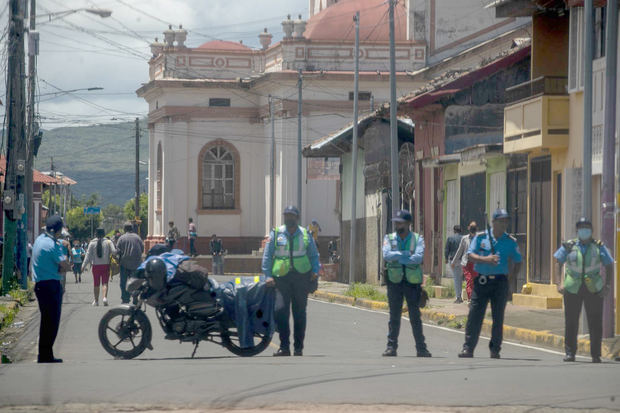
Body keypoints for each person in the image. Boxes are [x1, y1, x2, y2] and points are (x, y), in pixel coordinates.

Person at [458, 209, 522, 359]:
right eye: (501, 221)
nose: (504, 224)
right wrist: (486, 259)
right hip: (482, 281)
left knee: (498, 317)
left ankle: (495, 349)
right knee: (474, 316)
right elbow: (470, 256)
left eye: (506, 221)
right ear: (493, 222)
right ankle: (468, 348)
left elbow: (518, 261)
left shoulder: (510, 241)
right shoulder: (480, 238)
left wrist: (510, 280)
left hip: (500, 282)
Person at [553, 217, 614, 363]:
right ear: (577, 230)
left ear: (591, 231)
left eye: (586, 227)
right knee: (571, 321)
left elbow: (609, 265)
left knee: (595, 322)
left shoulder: (598, 246)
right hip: (572, 288)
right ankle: (570, 353)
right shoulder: (569, 246)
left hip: (593, 288)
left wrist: (607, 286)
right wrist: (558, 283)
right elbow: (558, 263)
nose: (584, 230)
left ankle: (595, 354)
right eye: (581, 227)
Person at [262, 205, 320, 357]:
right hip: (281, 278)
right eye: (286, 215)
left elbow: (314, 256)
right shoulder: (276, 233)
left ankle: (299, 347)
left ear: (297, 218)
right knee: (281, 312)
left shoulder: (305, 234)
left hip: (301, 277)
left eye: (291, 216)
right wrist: (267, 275)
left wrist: (315, 272)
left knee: (299, 313)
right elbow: (267, 256)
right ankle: (284, 347)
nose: (288, 218)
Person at [381, 209, 432, 358]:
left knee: (415, 316)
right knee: (394, 316)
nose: (397, 225)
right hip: (394, 281)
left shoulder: (417, 239)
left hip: (412, 283)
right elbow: (386, 255)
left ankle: (421, 348)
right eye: (396, 222)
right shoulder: (389, 238)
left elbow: (418, 258)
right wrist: (404, 254)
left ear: (408, 223)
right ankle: (391, 347)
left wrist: (397, 257)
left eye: (400, 222)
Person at [32, 215, 70, 363]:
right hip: (51, 286)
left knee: (46, 321)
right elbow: (65, 265)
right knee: (52, 322)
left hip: (41, 285)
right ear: (58, 230)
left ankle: (44, 353)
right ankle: (46, 355)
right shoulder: (54, 246)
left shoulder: (40, 240)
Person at [82, 228, 116, 306]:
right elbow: (114, 252)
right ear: (104, 234)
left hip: (95, 266)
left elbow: (88, 255)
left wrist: (83, 265)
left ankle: (96, 301)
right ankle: (104, 298)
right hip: (106, 265)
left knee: (96, 284)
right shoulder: (108, 242)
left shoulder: (92, 243)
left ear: (95, 234)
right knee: (105, 283)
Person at [116, 221, 144, 304]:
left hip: (124, 264)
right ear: (132, 228)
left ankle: (125, 299)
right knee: (135, 281)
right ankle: (135, 296)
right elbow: (142, 249)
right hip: (136, 264)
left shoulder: (121, 238)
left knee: (123, 282)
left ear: (124, 229)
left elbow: (117, 251)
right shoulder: (138, 237)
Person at [451, 222, 478, 302]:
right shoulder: (464, 238)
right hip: (466, 263)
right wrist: (453, 262)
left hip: (476, 264)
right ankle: (471, 298)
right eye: (471, 226)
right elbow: (459, 251)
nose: (473, 228)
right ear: (468, 228)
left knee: (475, 281)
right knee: (469, 280)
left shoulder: (479, 238)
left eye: (474, 227)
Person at [445, 225, 463, 303]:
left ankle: (458, 297)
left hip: (453, 261)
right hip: (462, 261)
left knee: (456, 279)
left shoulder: (450, 238)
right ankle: (460, 296)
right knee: (460, 278)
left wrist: (446, 258)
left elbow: (446, 250)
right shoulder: (463, 238)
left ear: (454, 230)